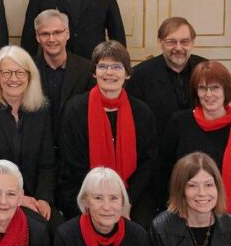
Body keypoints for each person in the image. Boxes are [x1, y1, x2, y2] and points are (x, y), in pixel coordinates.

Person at [58, 41, 158, 226]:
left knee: (141, 226)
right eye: (103, 66)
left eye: (116, 67)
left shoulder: (142, 112)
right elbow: (73, 163)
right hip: (84, 189)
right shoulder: (75, 110)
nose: (109, 72)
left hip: (132, 192)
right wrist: (100, 201)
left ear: (127, 73)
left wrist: (125, 201)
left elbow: (148, 162)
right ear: (94, 72)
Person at [0, 46, 57, 225]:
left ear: (30, 76)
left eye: (20, 72)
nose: (14, 79)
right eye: (7, 73)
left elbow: (47, 163)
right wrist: (17, 198)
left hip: (33, 198)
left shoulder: (41, 111)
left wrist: (43, 198)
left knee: (56, 228)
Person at [20, 0, 125, 60]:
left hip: (93, 64)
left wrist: (120, 64)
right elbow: (29, 35)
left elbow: (116, 32)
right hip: (53, 65)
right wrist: (26, 66)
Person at [127, 17, 207, 145]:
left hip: (200, 147)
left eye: (185, 42)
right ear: (160, 43)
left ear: (193, 43)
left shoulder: (206, 69)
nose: (178, 48)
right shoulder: (139, 75)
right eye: (171, 42)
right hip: (157, 149)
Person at [162, 61, 231, 207]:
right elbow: (164, 168)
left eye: (215, 88)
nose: (208, 94)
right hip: (184, 208)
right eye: (202, 88)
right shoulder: (179, 122)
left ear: (226, 90)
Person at [31, 9, 94, 144]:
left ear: (67, 33)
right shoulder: (27, 69)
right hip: (37, 147)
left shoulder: (87, 70)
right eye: (45, 34)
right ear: (37, 37)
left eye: (57, 32)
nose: (51, 39)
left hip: (74, 146)